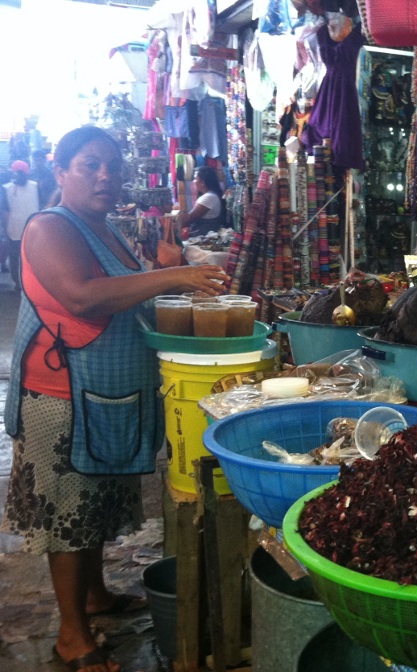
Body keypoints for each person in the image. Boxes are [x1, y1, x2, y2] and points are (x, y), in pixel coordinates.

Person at [0, 126, 228, 672]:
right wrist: (174, 273)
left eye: (112, 166)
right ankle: (72, 637)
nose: (105, 175)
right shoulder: (50, 227)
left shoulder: (102, 228)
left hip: (104, 393)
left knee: (97, 505)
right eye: (89, 165)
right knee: (70, 516)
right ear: (59, 172)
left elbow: (127, 289)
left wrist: (160, 272)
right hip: (64, 400)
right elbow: (82, 296)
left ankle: (97, 596)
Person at [4, 159, 41, 290]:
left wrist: (5, 230)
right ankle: (33, 282)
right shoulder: (35, 186)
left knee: (15, 257)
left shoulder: (6, 188)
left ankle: (18, 282)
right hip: (34, 228)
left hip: (14, 229)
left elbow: (5, 212)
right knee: (33, 257)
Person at [175, 165, 226, 238]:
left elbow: (189, 219)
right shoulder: (211, 195)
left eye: (195, 178)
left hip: (203, 237)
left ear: (202, 183)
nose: (193, 181)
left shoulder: (208, 198)